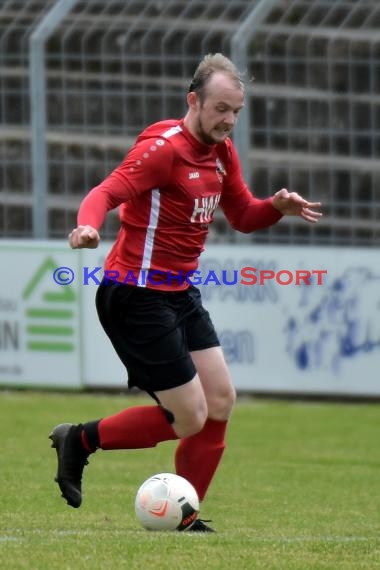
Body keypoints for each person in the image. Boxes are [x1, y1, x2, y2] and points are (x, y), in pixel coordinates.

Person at [49, 53, 322, 532]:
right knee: (189, 415)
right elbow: (106, 192)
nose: (228, 120)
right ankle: (81, 440)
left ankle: (185, 516)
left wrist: (276, 207)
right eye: (220, 109)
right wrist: (87, 228)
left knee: (220, 401)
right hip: (135, 294)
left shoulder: (222, 151)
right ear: (193, 100)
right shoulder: (163, 149)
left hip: (179, 293)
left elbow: (242, 217)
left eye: (236, 110)